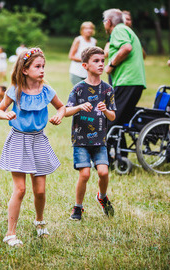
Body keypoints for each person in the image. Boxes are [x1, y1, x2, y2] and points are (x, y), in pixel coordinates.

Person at [0, 48, 65, 246]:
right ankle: (10, 233)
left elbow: (61, 106)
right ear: (25, 70)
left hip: (38, 140)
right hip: (18, 140)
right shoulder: (15, 90)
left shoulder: (47, 91)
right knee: (21, 189)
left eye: (43, 66)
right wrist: (5, 115)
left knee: (40, 190)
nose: (42, 70)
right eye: (37, 66)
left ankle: (40, 221)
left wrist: (59, 115)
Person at [65, 46, 116, 220]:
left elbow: (113, 115)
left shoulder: (107, 89)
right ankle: (77, 207)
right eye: (96, 61)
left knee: (103, 172)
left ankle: (102, 197)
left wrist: (105, 110)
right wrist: (79, 107)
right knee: (85, 174)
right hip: (80, 140)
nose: (101, 64)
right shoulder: (78, 89)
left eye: (102, 60)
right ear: (85, 66)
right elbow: (66, 111)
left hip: (100, 140)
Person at [103, 8, 146, 129]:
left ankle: (98, 148)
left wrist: (111, 65)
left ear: (109, 22)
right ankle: (116, 148)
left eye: (104, 20)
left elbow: (126, 48)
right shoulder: (128, 30)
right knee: (119, 120)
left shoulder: (118, 29)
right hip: (134, 82)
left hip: (127, 81)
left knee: (109, 119)